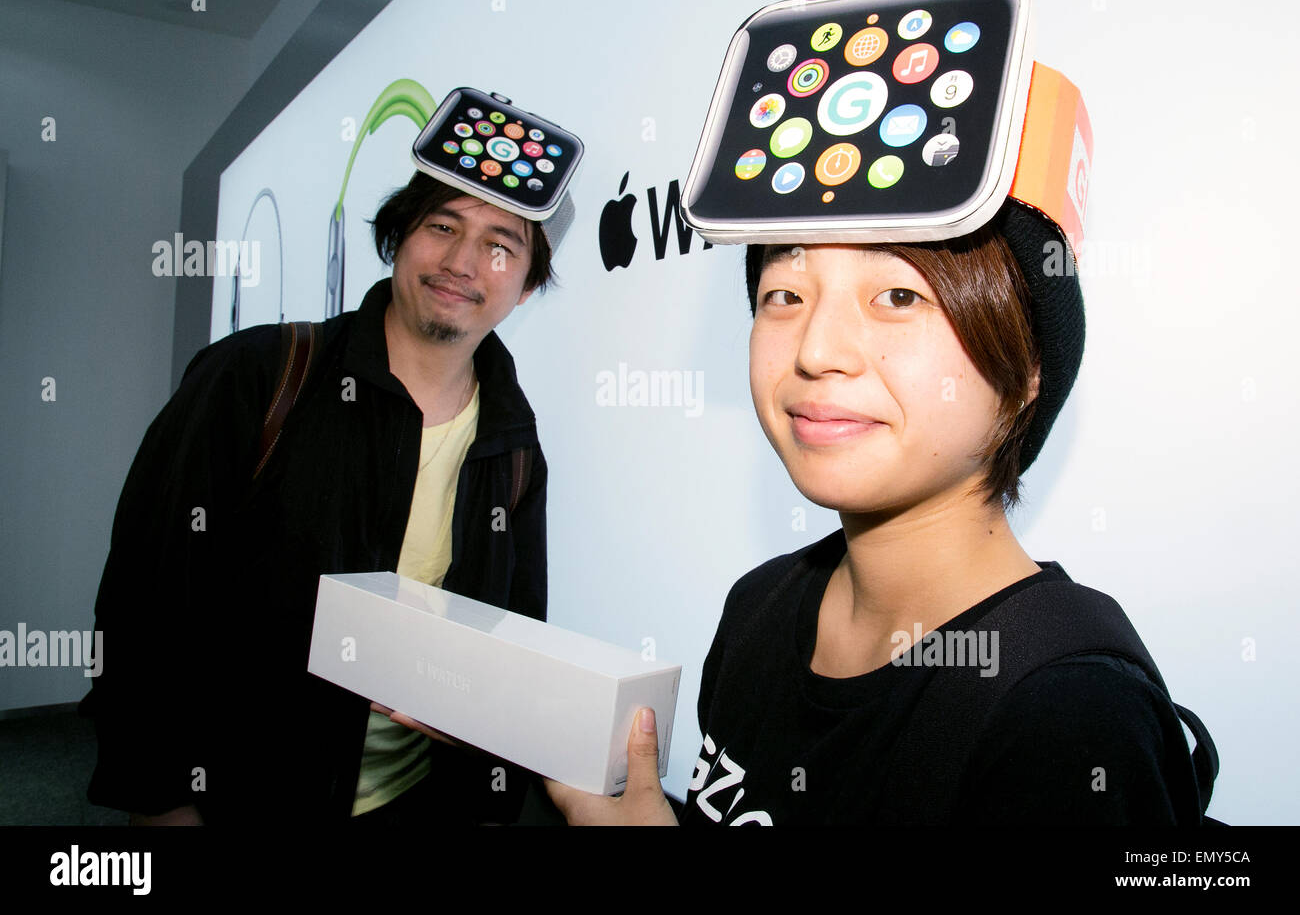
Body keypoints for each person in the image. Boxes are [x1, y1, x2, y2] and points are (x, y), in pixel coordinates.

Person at [545, 201, 1212, 825]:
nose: (815, 351)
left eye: (898, 296)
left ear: (1027, 368)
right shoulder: (760, 607)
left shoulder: (1068, 715)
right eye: (786, 295)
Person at [82, 171, 551, 825]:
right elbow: (147, 594)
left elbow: (513, 631)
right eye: (441, 226)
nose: (461, 261)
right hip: (246, 796)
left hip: (418, 799)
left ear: (528, 284)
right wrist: (159, 795)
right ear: (397, 239)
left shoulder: (513, 442)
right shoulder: (259, 375)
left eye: (500, 245)